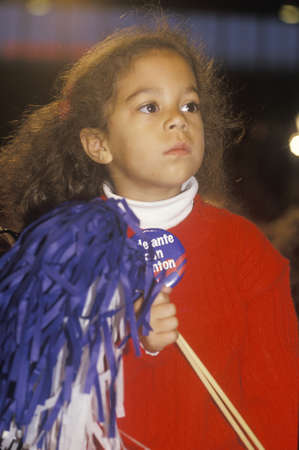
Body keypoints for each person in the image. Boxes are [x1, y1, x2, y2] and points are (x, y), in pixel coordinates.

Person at [0, 22, 298, 449]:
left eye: (190, 105)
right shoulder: (64, 251)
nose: (178, 120)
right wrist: (120, 332)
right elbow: (31, 386)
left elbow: (282, 400)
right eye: (149, 107)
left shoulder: (245, 248)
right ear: (99, 144)